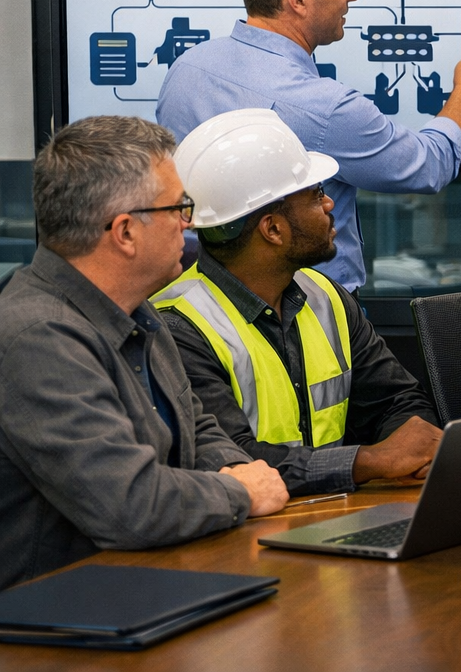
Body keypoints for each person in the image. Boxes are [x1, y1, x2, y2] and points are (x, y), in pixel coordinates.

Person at [0, 116, 288, 588]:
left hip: (149, 583)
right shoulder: (37, 337)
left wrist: (232, 467)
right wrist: (238, 490)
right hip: (59, 627)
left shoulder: (139, 310)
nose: (187, 223)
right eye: (178, 207)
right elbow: (129, 505)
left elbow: (198, 429)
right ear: (125, 232)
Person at [157, 0, 461, 292]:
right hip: (309, 315)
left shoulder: (187, 69)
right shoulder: (323, 108)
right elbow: (427, 166)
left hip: (203, 299)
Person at [153, 110, 443, 497]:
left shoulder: (324, 295)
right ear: (273, 229)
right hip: (243, 535)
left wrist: (415, 450)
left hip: (335, 518)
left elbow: (396, 399)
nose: (328, 205)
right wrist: (368, 463)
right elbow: (231, 458)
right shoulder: (176, 325)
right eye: (315, 195)